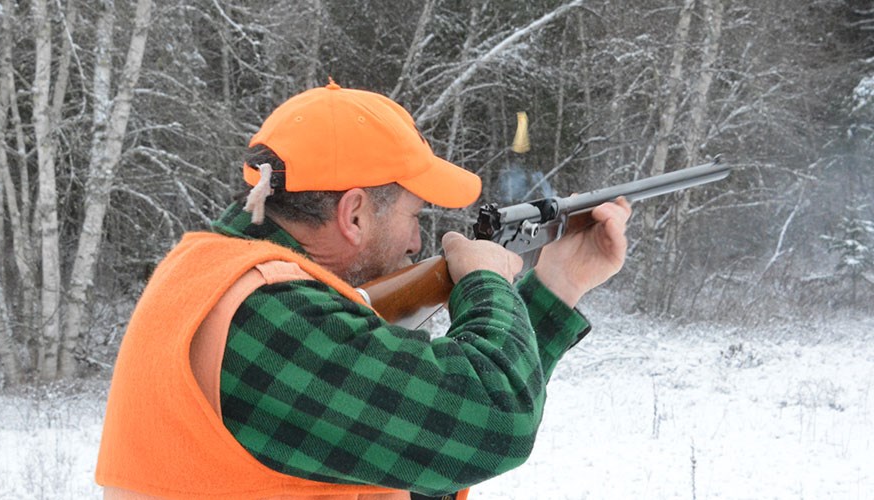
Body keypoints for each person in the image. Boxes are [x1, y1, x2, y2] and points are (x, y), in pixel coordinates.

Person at [95, 80, 631, 500]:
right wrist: (486, 280)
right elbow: (495, 419)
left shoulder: (211, 275)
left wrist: (560, 281)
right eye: (414, 214)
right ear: (353, 213)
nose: (418, 241)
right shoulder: (271, 318)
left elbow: (422, 446)